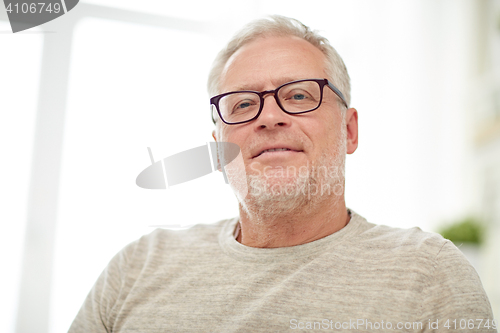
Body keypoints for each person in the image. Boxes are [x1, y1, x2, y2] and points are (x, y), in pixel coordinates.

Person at [69, 15, 496, 332]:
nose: (269, 117)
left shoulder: (429, 274)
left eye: (297, 95)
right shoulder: (136, 267)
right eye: (241, 104)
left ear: (349, 130)